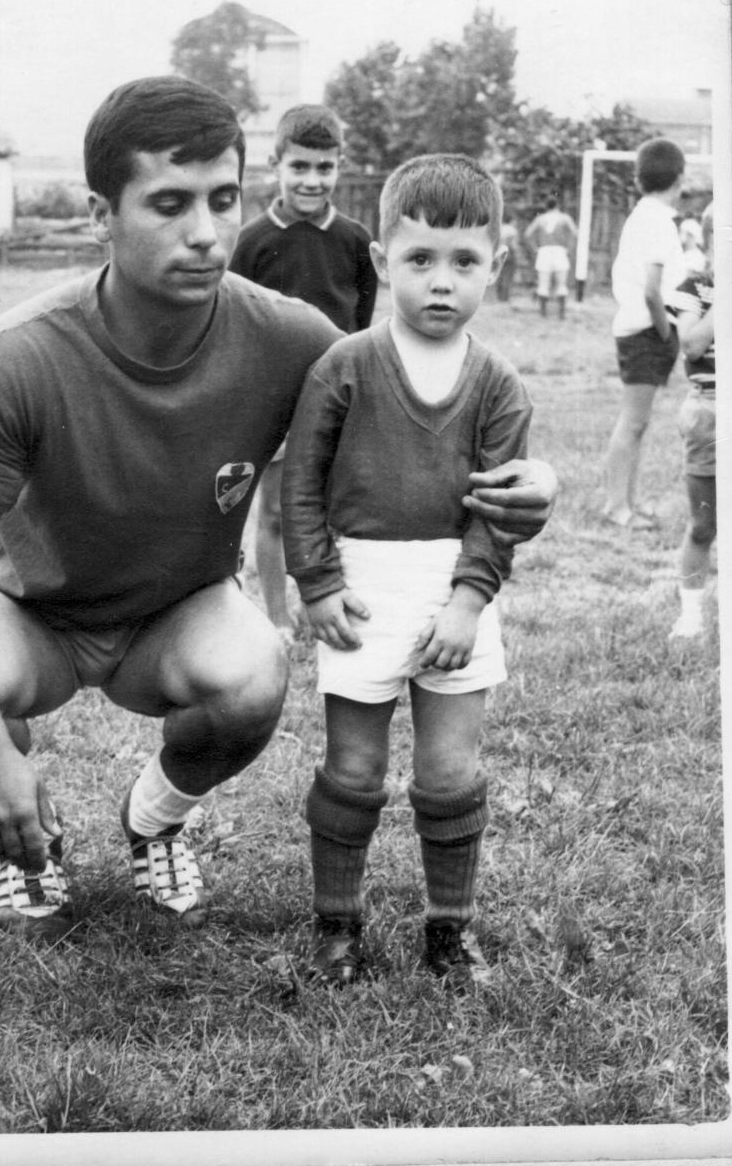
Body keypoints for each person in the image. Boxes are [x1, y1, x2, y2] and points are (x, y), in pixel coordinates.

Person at [0, 77, 558, 945]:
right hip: (34, 614)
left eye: (222, 199)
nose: (206, 233)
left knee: (255, 673)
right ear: (102, 214)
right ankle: (34, 846)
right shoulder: (19, 357)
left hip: (176, 614)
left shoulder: (291, 340)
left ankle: (155, 817)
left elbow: (427, 411)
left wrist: (538, 479)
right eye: (169, 204)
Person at [282, 153, 531, 990]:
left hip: (455, 588)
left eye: (465, 262)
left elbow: (496, 512)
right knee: (353, 769)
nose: (441, 282)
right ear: (385, 262)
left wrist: (467, 603)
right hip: (361, 586)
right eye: (420, 259)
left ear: (495, 266)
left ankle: (449, 932)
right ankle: (336, 926)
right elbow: (301, 483)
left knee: (449, 771)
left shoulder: (498, 386)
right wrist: (316, 583)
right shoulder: (344, 366)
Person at [228, 104, 377, 632]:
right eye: (299, 167)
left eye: (324, 168)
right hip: (271, 399)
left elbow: (361, 324)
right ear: (276, 166)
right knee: (272, 512)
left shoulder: (356, 241)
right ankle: (275, 618)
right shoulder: (250, 241)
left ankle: (329, 603)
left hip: (335, 397)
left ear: (339, 166)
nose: (312, 180)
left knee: (334, 509)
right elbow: (234, 322)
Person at [602, 138, 686, 529]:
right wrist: (666, 331)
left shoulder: (645, 216)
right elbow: (653, 290)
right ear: (680, 178)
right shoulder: (658, 222)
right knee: (633, 422)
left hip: (641, 328)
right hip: (646, 331)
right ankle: (617, 506)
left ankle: (627, 504)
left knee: (639, 422)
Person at [666, 203, 715, 640]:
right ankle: (691, 614)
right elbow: (693, 344)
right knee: (703, 522)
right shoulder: (695, 287)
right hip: (710, 410)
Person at [523, 193, 578, 318]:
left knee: (543, 283)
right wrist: (569, 248)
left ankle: (543, 313)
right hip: (559, 251)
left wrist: (535, 249)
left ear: (546, 206)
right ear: (557, 205)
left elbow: (527, 234)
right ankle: (561, 314)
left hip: (544, 251)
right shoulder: (564, 218)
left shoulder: (540, 218)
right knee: (561, 284)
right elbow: (574, 233)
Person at [495, 217, 519, 303]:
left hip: (497, 254)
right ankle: (505, 297)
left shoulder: (498, 228)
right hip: (509, 254)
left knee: (499, 274)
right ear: (511, 220)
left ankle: (499, 296)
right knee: (507, 275)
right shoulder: (512, 230)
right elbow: (513, 245)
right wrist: (516, 255)